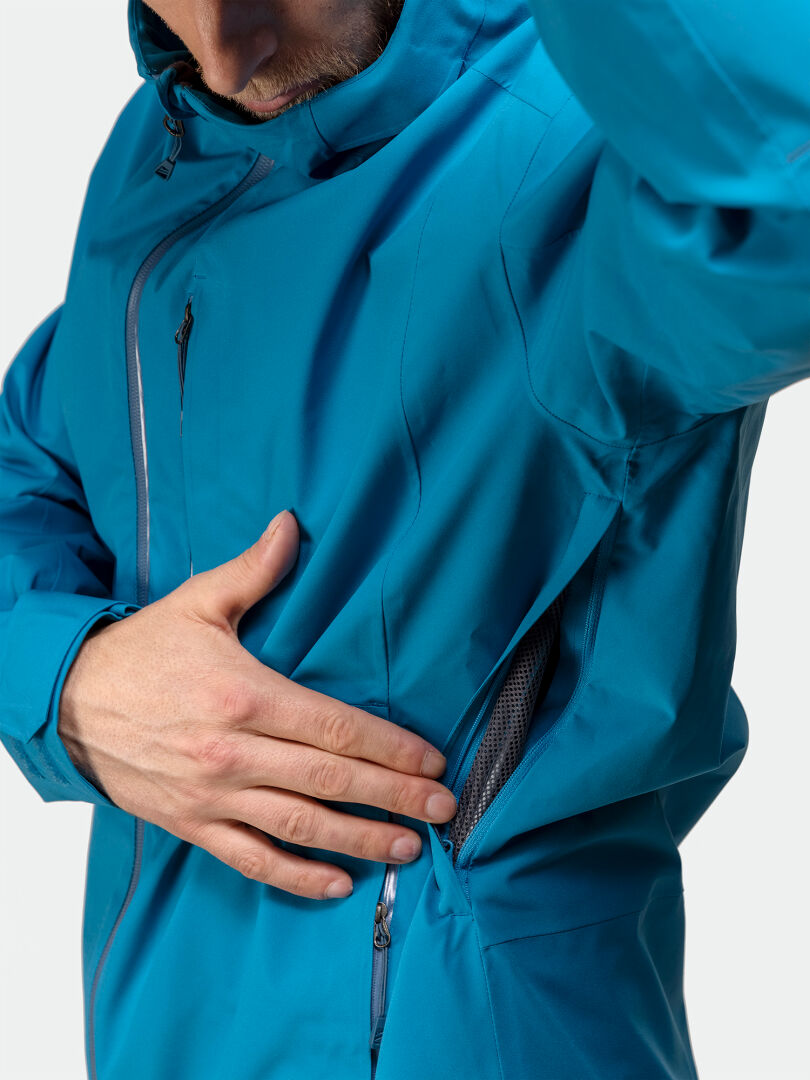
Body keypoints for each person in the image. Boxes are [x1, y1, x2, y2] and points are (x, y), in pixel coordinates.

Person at [1, 0, 808, 1076]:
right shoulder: (167, 149)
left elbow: (786, 204)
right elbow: (32, 461)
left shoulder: (570, 147)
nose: (225, 53)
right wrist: (69, 678)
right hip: (151, 1031)